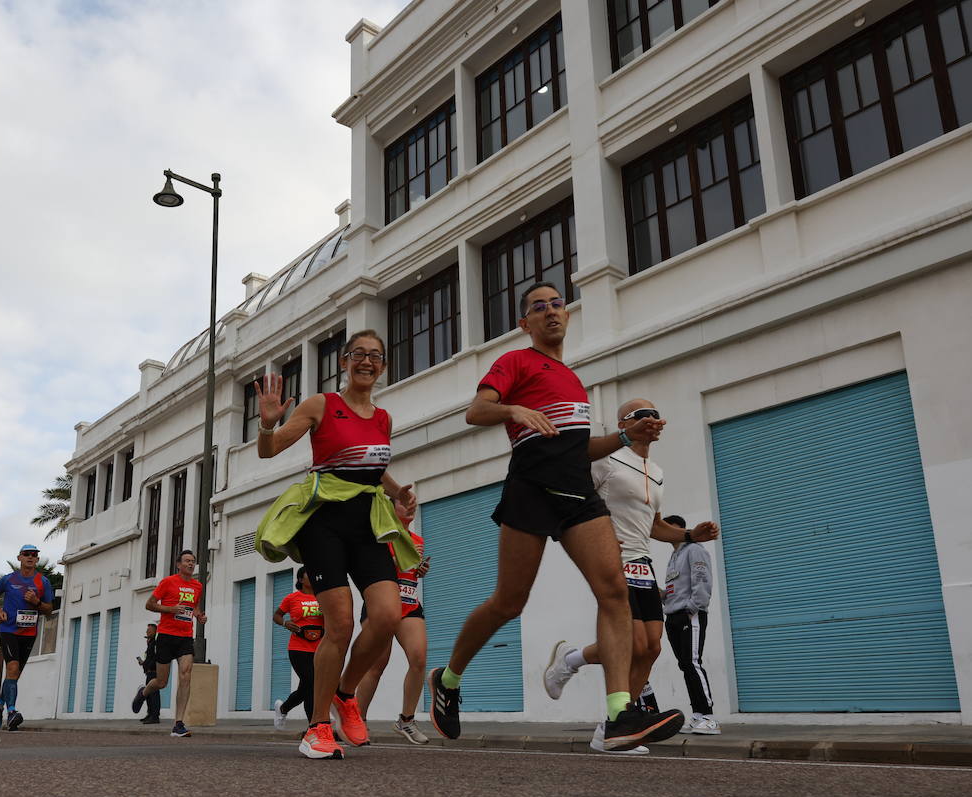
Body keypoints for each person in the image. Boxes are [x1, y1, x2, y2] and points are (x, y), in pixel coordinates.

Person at [425, 283, 684, 753]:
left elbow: (579, 449)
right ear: (525, 323)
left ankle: (619, 714)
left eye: (557, 304)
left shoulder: (572, 378)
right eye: (538, 308)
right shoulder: (516, 363)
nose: (550, 312)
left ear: (568, 315)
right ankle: (447, 678)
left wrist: (626, 438)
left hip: (578, 493)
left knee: (613, 590)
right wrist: (513, 408)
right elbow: (475, 411)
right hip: (531, 487)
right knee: (509, 602)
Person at [253, 329, 420, 760]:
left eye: (376, 356)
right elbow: (269, 452)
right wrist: (268, 423)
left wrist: (397, 491)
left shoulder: (383, 418)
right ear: (343, 362)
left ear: (383, 366)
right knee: (341, 624)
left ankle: (345, 694)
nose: (367, 361)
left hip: (365, 520)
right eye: (358, 354)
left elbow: (371, 467)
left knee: (385, 615)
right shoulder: (321, 405)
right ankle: (317, 727)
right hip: (323, 521)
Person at [542, 400, 721, 753]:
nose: (652, 419)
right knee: (630, 643)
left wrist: (689, 536)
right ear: (625, 422)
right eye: (642, 414)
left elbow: (653, 526)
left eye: (656, 413)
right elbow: (572, 497)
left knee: (650, 647)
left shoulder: (655, 470)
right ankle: (596, 693)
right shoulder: (604, 459)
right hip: (611, 558)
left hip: (642, 561)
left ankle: (609, 723)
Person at [355, 503, 432, 746]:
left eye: (414, 504)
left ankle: (406, 720)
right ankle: (356, 721)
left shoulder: (417, 539)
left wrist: (420, 570)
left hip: (409, 602)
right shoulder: (381, 535)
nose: (411, 507)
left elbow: (410, 572)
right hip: (381, 603)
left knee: (419, 659)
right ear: (390, 509)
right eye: (404, 503)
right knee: (376, 665)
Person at [660, 514, 720, 735]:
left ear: (679, 528)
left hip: (689, 615)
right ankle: (697, 716)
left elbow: (702, 579)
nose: (664, 530)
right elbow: (677, 589)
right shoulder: (674, 556)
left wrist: (692, 608)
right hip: (673, 616)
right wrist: (661, 595)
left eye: (668, 526)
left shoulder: (694, 549)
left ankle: (709, 717)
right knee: (685, 665)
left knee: (693, 663)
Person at [0, 544, 55, 732]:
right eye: (27, 554)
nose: (30, 557)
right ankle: (12, 712)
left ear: (37, 560)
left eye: (34, 555)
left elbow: (48, 609)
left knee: (14, 675)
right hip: (8, 629)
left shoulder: (43, 582)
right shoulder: (8, 580)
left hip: (29, 632)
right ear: (19, 558)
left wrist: (36, 602)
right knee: (12, 667)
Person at [137, 551, 206, 738]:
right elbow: (149, 604)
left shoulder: (197, 585)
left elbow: (195, 606)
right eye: (187, 561)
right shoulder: (168, 582)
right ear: (178, 564)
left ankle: (178, 724)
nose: (191, 564)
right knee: (161, 682)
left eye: (193, 561)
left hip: (185, 637)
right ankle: (143, 692)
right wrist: (170, 609)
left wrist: (199, 616)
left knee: (185, 675)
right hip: (166, 636)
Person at [271, 567, 322, 730]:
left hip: (321, 647)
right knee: (311, 683)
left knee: (306, 686)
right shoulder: (292, 598)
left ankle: (283, 708)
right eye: (309, 574)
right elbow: (277, 615)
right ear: (301, 579)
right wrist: (285, 623)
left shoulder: (323, 596)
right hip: (298, 648)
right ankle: (313, 727)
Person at [130, 624, 161, 725]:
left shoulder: (156, 643)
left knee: (154, 695)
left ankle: (155, 716)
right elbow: (149, 657)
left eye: (149, 630)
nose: (147, 632)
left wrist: (149, 664)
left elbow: (156, 657)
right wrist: (143, 663)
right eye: (147, 630)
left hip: (154, 672)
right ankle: (150, 714)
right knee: (148, 695)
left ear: (155, 631)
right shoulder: (150, 643)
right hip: (148, 672)